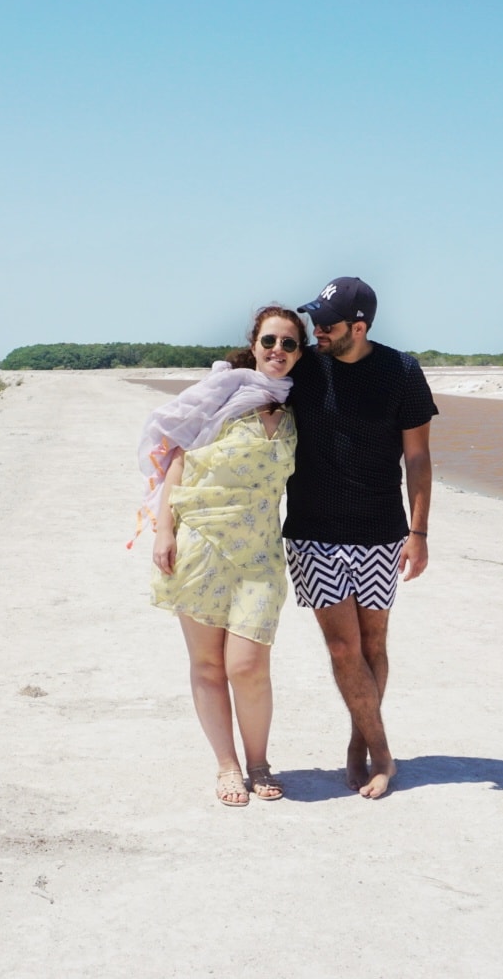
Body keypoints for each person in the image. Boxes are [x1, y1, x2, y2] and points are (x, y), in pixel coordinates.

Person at [140, 306, 307, 807]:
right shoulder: (223, 397)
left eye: (289, 344)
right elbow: (178, 461)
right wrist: (163, 531)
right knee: (208, 665)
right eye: (270, 341)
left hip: (259, 555)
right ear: (254, 344)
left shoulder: (302, 408)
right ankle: (228, 765)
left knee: (249, 664)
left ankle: (259, 761)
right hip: (202, 546)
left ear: (300, 353)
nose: (278, 351)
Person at [284, 277, 438, 799]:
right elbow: (245, 386)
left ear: (359, 326)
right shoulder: (303, 367)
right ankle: (384, 751)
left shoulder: (402, 372)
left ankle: (359, 741)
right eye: (313, 322)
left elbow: (417, 456)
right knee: (344, 646)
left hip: (381, 531)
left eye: (325, 325)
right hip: (313, 532)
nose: (315, 332)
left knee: (373, 643)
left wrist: (418, 532)